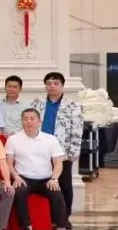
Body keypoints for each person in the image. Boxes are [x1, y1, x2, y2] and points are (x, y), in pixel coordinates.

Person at [6, 108, 71, 230]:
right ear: (22, 121)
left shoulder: (50, 139)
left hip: (46, 179)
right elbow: (9, 163)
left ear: (39, 121)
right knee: (19, 192)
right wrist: (16, 176)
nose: (28, 122)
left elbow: (58, 163)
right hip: (23, 178)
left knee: (57, 193)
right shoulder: (13, 139)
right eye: (25, 119)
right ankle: (27, 227)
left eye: (32, 118)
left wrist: (54, 179)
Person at [30, 71, 82, 222]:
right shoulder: (37, 103)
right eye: (49, 83)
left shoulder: (72, 105)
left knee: (64, 184)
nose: (52, 86)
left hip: (62, 151)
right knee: (46, 184)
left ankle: (64, 218)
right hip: (40, 150)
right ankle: (50, 217)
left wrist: (73, 152)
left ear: (62, 85)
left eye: (55, 83)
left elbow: (77, 130)